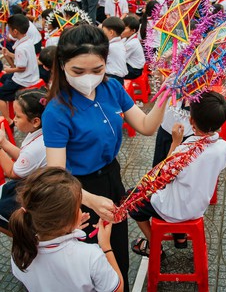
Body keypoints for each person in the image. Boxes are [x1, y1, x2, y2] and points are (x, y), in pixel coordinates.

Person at [42, 23, 169, 291]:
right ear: (62, 64)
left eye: (97, 70)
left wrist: (166, 94)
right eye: (78, 71)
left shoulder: (111, 88)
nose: (88, 77)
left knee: (116, 247)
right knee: (91, 258)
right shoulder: (57, 111)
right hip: (76, 190)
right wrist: (88, 199)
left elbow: (145, 126)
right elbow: (56, 174)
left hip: (112, 177)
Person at [129, 91, 226, 255]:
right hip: (198, 208)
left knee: (133, 202)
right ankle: (180, 237)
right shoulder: (223, 147)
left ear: (191, 121)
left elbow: (162, 176)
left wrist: (175, 142)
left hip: (174, 209)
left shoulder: (183, 151)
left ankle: (155, 248)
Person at [10, 167, 123, 292]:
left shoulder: (20, 252)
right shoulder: (91, 256)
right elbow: (117, 289)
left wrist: (67, 230)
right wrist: (106, 247)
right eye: (78, 206)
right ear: (68, 220)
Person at [0, 89, 47, 231]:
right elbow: (23, 155)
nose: (13, 119)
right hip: (38, 182)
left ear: (35, 121)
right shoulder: (42, 131)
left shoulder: (36, 149)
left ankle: (25, 240)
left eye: (18, 116)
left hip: (40, 193)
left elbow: (12, 173)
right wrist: (4, 142)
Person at [0, 14, 39, 126]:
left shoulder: (21, 48)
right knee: (4, 78)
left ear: (15, 31)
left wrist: (9, 70)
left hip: (23, 79)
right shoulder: (28, 41)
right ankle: (11, 97)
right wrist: (9, 54)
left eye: (9, 29)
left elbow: (21, 68)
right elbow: (22, 59)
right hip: (31, 76)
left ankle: (9, 120)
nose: (9, 32)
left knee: (1, 94)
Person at [102, 16, 128, 84]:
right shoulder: (120, 43)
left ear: (111, 32)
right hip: (119, 77)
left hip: (112, 77)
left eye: (103, 31)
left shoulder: (111, 47)